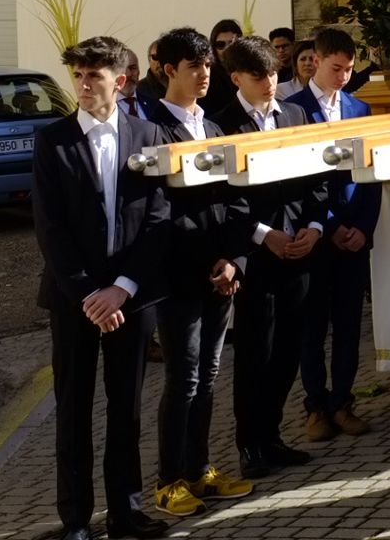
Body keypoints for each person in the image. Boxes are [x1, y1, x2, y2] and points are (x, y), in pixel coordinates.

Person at [33, 36, 173, 540]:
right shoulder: (52, 140)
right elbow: (50, 227)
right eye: (78, 75)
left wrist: (123, 288)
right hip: (75, 300)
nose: (85, 84)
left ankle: (125, 511)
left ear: (122, 79)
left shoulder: (149, 133)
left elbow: (159, 217)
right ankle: (74, 520)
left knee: (126, 407)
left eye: (95, 75)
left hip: (130, 298)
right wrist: (89, 293)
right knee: (73, 408)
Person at [141, 27, 255, 518]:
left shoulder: (213, 129)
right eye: (194, 67)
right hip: (181, 279)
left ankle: (201, 470)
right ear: (169, 71)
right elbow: (157, 212)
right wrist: (206, 264)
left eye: (208, 65)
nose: (205, 75)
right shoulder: (152, 130)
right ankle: (169, 480)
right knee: (183, 379)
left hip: (222, 274)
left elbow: (238, 199)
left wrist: (233, 260)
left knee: (208, 377)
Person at [214, 36, 321, 480]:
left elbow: (317, 176)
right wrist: (263, 235)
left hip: (299, 250)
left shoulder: (295, 114)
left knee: (290, 349)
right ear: (236, 77)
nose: (270, 83)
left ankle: (273, 435)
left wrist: (314, 228)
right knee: (256, 353)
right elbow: (224, 199)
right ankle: (250, 444)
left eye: (274, 73)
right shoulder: (221, 126)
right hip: (257, 257)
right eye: (259, 77)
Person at [284, 27, 383, 442]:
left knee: (347, 324)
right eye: (335, 68)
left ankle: (343, 401)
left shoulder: (360, 109)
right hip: (315, 233)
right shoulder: (291, 109)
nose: (343, 76)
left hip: (353, 233)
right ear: (315, 60)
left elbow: (372, 174)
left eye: (348, 69)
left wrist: (362, 227)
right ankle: (315, 406)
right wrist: (330, 225)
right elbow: (296, 180)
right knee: (312, 325)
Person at [200, 20, 244, 116]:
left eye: (232, 43)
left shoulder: (248, 71)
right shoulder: (208, 75)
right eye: (220, 44)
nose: (227, 49)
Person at [117, 49, 157, 121]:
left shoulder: (154, 103)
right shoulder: (103, 107)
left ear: (139, 71)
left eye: (133, 68)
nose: (128, 74)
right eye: (122, 69)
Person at [138, 39, 168, 105]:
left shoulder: (184, 87)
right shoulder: (137, 90)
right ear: (149, 60)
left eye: (165, 56)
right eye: (156, 57)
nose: (160, 61)